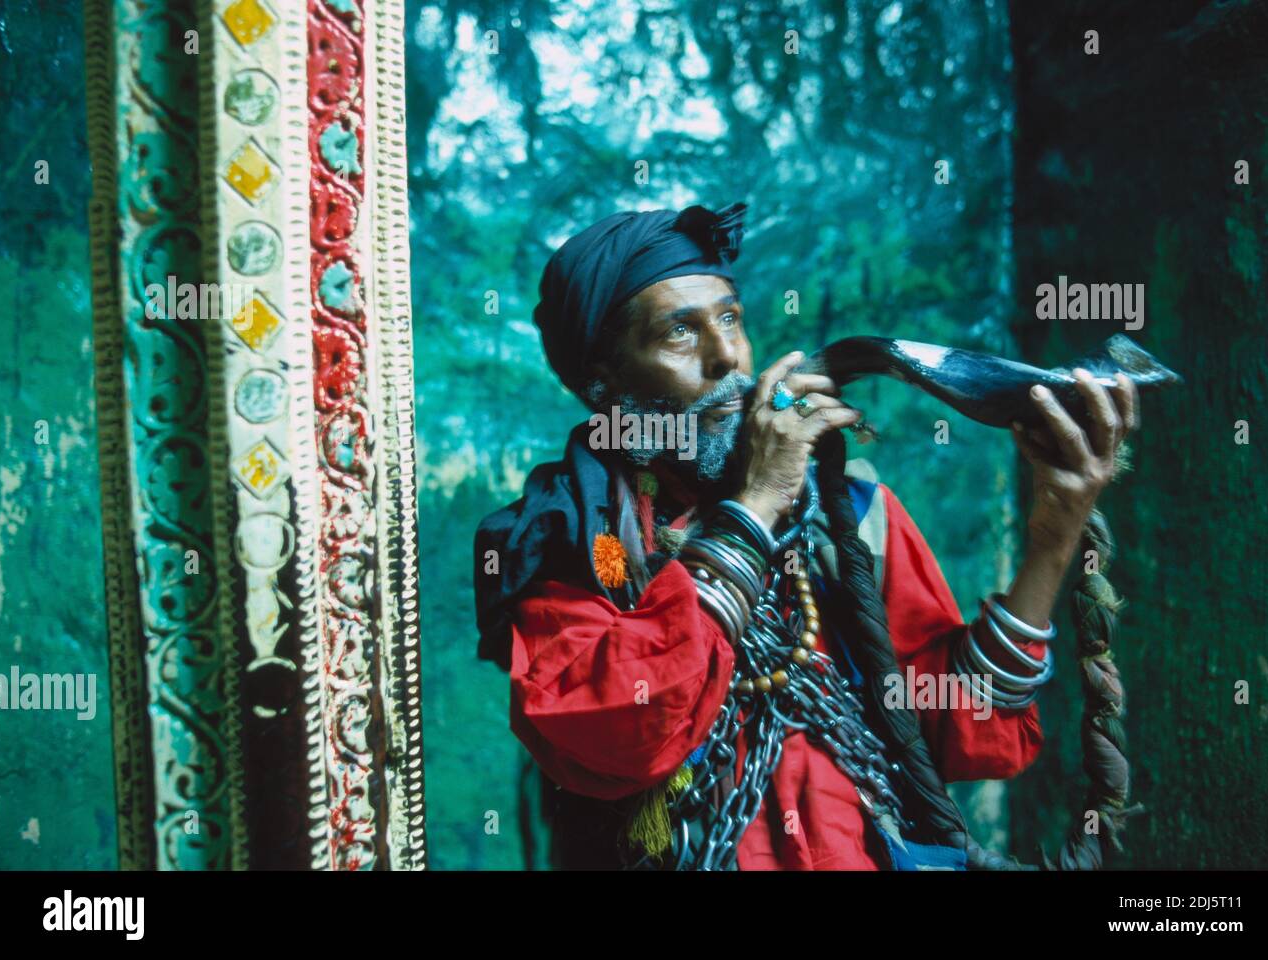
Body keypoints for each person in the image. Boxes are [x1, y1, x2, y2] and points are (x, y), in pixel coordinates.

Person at [473, 201, 1138, 870]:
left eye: (731, 319)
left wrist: (1055, 536)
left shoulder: (849, 513)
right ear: (603, 383)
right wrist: (756, 504)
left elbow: (960, 726)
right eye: (679, 332)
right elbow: (625, 730)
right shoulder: (565, 542)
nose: (726, 357)